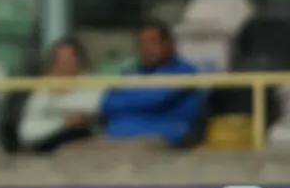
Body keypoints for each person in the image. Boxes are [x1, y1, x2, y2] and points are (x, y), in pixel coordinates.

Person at [98, 21, 205, 149]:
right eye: (142, 44)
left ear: (168, 44)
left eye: (153, 43)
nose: (147, 49)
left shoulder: (184, 71)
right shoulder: (131, 71)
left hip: (169, 134)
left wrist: (129, 98)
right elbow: (108, 103)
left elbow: (158, 98)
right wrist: (142, 97)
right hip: (123, 130)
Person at [17, 37, 101, 153]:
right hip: (46, 147)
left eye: (70, 58)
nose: (65, 63)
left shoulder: (90, 84)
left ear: (78, 60)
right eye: (61, 59)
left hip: (79, 146)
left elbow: (91, 108)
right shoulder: (44, 89)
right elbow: (26, 132)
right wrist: (63, 122)